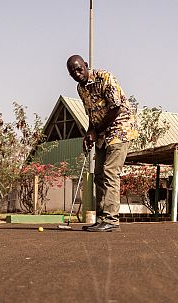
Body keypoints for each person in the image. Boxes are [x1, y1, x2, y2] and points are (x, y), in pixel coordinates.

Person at [66, 54, 139, 232]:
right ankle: (102, 219)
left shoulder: (104, 77)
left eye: (79, 69)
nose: (77, 74)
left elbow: (115, 108)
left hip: (120, 127)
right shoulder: (80, 89)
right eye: (72, 72)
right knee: (98, 173)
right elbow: (92, 114)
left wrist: (95, 131)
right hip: (101, 131)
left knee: (110, 172)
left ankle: (111, 221)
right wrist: (89, 133)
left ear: (86, 65)